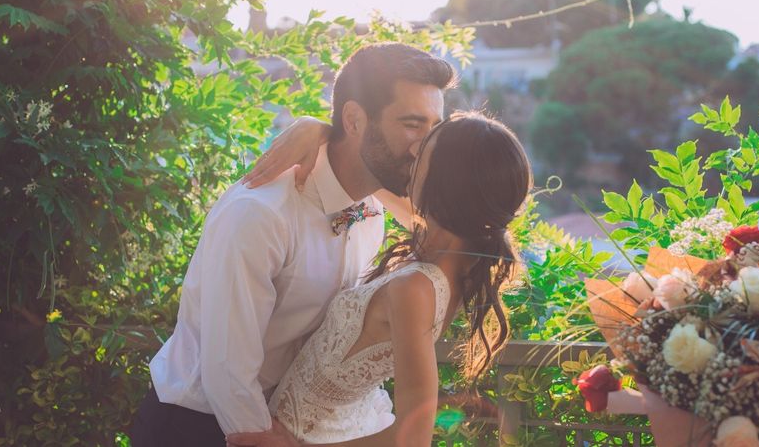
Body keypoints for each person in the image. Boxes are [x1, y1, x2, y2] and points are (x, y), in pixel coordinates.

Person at [129, 43, 456, 447]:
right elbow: (226, 369)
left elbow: (451, 226)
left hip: (289, 424)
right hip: (201, 425)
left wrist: (320, 128)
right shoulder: (261, 214)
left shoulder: (372, 212)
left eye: (433, 127)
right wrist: (262, 438)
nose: (427, 145)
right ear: (354, 120)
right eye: (412, 125)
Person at [228, 111, 533, 446]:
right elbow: (368, 174)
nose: (412, 153)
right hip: (334, 426)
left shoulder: (415, 288)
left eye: (424, 153)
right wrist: (320, 131)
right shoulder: (452, 261)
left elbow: (412, 438)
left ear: (444, 184)